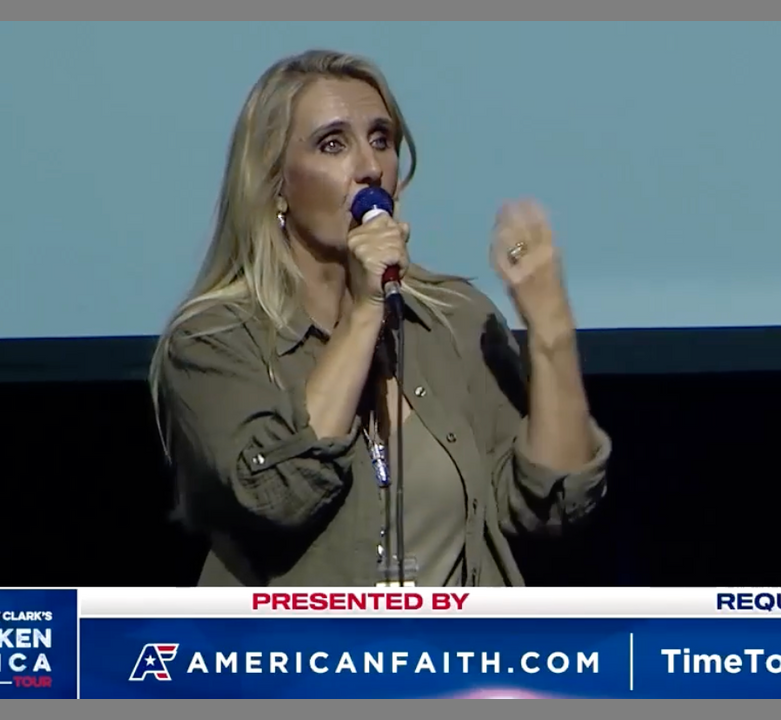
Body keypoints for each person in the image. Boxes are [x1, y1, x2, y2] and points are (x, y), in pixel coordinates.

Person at [148, 49, 611, 587]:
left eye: (381, 139)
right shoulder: (214, 341)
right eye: (333, 144)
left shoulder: (453, 320)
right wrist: (365, 311)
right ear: (276, 183)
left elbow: (549, 505)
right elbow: (276, 495)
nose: (370, 167)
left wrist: (552, 333)